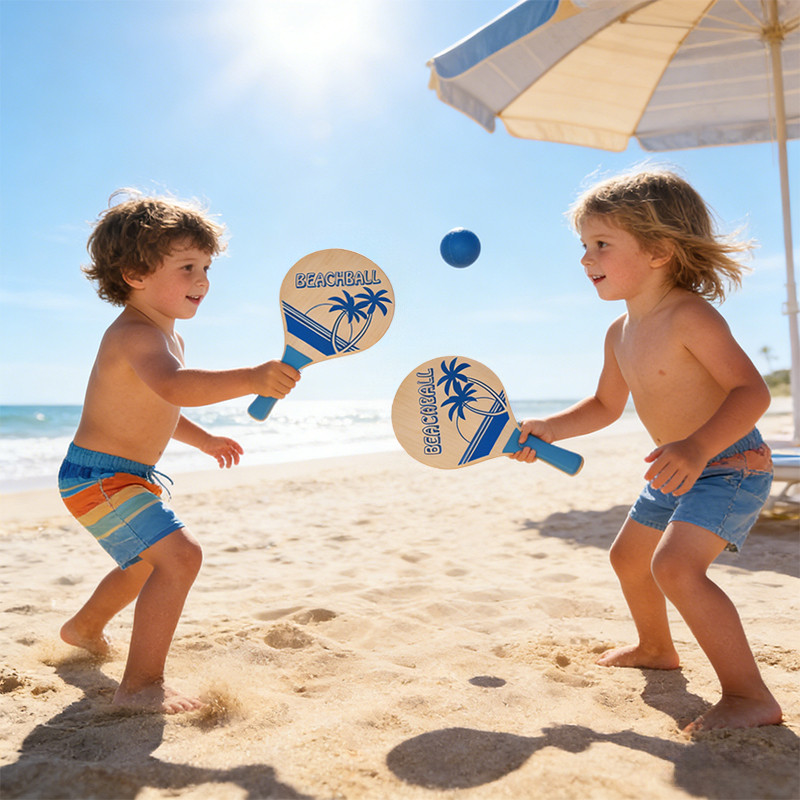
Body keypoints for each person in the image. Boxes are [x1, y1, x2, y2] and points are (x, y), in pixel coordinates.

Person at [508, 168, 782, 733]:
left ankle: (750, 695)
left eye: (602, 244)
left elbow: (750, 391)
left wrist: (699, 446)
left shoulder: (688, 315)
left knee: (675, 567)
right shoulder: (620, 332)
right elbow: (606, 406)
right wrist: (549, 429)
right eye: (584, 245)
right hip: (676, 468)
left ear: (659, 250)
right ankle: (656, 648)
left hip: (728, 463)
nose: (586, 259)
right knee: (628, 558)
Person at [58, 191, 300, 713]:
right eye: (187, 266)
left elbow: (160, 408)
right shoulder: (136, 335)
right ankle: (141, 685)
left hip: (113, 475)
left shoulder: (165, 337)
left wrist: (204, 439)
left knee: (146, 564)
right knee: (180, 556)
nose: (203, 281)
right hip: (100, 476)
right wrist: (252, 377)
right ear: (134, 273)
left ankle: (83, 628)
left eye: (207, 267)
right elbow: (175, 387)